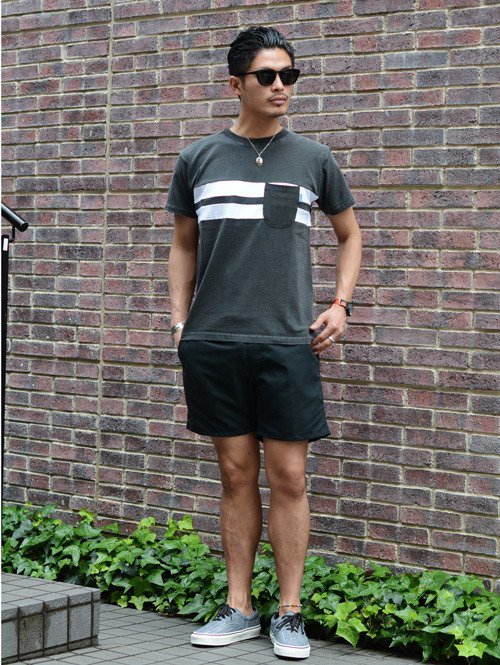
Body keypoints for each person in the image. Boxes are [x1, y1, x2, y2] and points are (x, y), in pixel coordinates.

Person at [166, 26, 362, 660]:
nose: (281, 86)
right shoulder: (198, 159)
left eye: (289, 76)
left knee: (290, 477)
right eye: (267, 76)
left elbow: (350, 235)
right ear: (235, 84)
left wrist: (340, 304)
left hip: (286, 342)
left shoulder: (313, 158)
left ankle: (290, 613)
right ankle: (239, 607)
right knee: (234, 475)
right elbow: (183, 245)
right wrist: (179, 323)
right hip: (215, 340)